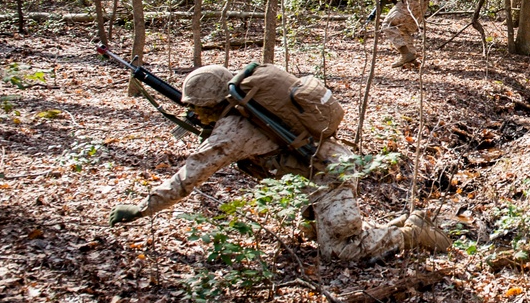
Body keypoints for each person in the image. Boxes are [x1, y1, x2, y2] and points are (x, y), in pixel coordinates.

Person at [109, 65, 450, 262]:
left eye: (196, 107)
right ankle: (406, 221)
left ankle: (412, 234)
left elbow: (189, 177)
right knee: (323, 237)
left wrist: (142, 207)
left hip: (329, 175)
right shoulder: (246, 104)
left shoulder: (234, 130)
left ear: (211, 105)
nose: (192, 113)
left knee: (342, 252)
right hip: (319, 170)